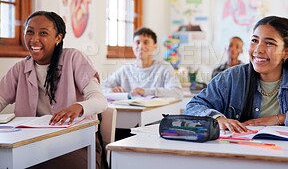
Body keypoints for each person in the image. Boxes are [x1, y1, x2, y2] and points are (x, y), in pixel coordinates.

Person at [184, 16, 288, 169]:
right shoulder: (231, 77)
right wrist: (217, 118)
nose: (258, 49)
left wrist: (281, 118)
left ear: (286, 52)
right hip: (243, 156)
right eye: (254, 40)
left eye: (269, 43)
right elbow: (193, 106)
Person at [0, 11, 108, 169]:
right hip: (31, 144)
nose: (34, 39)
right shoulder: (20, 68)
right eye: (29, 32)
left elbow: (100, 101)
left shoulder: (74, 59)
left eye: (43, 33)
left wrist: (78, 107)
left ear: (58, 38)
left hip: (76, 144)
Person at [101, 27, 183, 99]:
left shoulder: (164, 68)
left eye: (146, 42)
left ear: (155, 46)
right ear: (133, 46)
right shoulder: (125, 70)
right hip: (129, 112)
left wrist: (145, 92)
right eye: (137, 42)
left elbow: (177, 92)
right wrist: (111, 90)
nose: (141, 46)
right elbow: (100, 88)